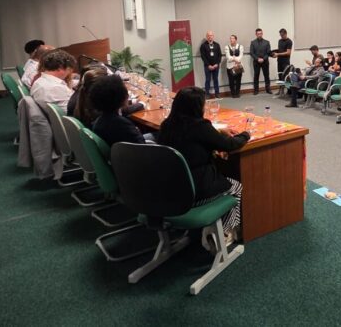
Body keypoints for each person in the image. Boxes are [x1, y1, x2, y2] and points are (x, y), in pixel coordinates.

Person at [157, 87, 249, 247]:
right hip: (193, 191)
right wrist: (245, 135)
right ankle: (223, 233)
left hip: (169, 188)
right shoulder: (199, 126)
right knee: (236, 187)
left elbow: (194, 142)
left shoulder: (167, 124)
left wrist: (216, 133)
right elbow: (229, 145)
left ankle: (217, 227)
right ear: (198, 107)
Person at [90, 74, 147, 147]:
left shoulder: (99, 120)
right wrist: (137, 131)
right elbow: (142, 146)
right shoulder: (123, 125)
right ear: (121, 98)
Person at [248, 28, 272, 95]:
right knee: (256, 76)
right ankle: (256, 90)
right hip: (256, 62)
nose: (259, 35)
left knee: (267, 76)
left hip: (265, 62)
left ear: (262, 33)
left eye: (261, 33)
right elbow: (251, 53)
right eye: (258, 34)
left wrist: (263, 59)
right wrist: (257, 59)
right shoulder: (253, 42)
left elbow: (268, 52)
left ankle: (268, 89)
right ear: (256, 34)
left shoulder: (267, 42)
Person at [199, 31, 222, 98]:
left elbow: (219, 55)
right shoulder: (203, 45)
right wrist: (208, 65)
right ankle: (207, 94)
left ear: (213, 36)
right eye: (208, 35)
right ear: (207, 37)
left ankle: (217, 93)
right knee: (208, 79)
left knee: (216, 79)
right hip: (207, 66)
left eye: (211, 35)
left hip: (216, 66)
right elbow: (203, 56)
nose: (210, 37)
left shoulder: (217, 45)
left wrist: (217, 64)